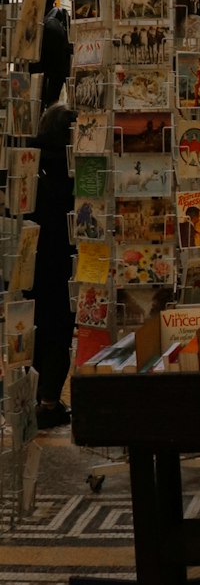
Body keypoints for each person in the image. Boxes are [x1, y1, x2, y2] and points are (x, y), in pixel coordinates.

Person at [27, 103, 76, 428]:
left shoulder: (26, 162)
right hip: (65, 261)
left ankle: (33, 394)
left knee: (34, 327)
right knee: (60, 330)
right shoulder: (77, 168)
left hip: (29, 261)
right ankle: (49, 401)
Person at [29, 0, 72, 108]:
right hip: (59, 74)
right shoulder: (61, 17)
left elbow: (45, 57)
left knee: (43, 107)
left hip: (48, 77)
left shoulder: (48, 25)